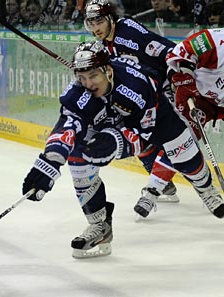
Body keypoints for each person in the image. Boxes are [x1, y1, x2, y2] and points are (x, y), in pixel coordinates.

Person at [22, 41, 224, 258]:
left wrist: (115, 142)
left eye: (92, 76)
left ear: (108, 71)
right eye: (81, 77)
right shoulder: (79, 91)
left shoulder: (135, 86)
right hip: (112, 117)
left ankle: (206, 189)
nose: (87, 84)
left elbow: (143, 135)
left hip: (158, 118)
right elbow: (69, 126)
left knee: (187, 160)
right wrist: (49, 163)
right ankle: (100, 226)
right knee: (79, 157)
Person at [83, 0, 181, 216]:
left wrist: (176, 81)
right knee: (132, 129)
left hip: (167, 90)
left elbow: (168, 51)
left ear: (110, 18)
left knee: (176, 139)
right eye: (91, 23)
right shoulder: (107, 43)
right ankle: (164, 183)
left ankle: (156, 189)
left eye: (99, 21)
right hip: (147, 95)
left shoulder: (127, 33)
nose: (96, 28)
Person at [166, 28, 224, 140]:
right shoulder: (217, 40)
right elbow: (184, 51)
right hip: (194, 94)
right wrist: (185, 79)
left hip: (217, 104)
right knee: (182, 141)